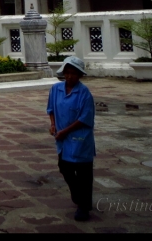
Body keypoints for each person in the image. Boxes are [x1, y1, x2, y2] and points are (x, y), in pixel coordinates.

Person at [47, 56, 95, 221]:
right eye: (67, 73)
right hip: (62, 137)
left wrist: (65, 131)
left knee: (83, 173)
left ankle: (83, 207)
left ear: (79, 75)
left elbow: (84, 118)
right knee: (64, 167)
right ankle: (77, 196)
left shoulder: (84, 93)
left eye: (73, 73)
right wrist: (53, 124)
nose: (69, 76)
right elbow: (51, 109)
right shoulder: (56, 89)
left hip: (80, 137)